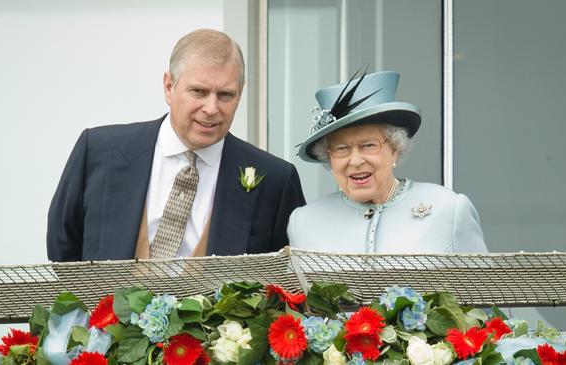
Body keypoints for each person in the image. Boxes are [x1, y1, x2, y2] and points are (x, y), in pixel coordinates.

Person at [47, 29, 305, 261]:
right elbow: (63, 247)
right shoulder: (99, 151)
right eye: (199, 92)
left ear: (240, 92)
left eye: (225, 95)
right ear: (169, 87)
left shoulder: (276, 180)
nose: (212, 108)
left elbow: (285, 276)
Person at [288, 69, 487, 253]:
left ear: (394, 149)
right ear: (329, 158)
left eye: (369, 145)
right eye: (342, 149)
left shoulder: (449, 210)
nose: (355, 161)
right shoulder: (304, 222)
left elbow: (482, 290)